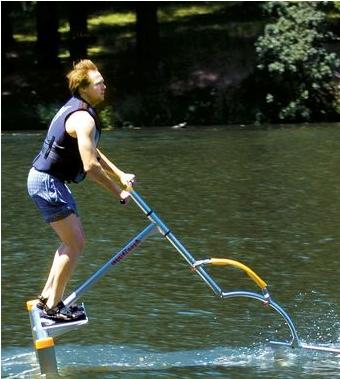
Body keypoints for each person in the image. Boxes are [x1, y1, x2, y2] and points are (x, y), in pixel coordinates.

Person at [27, 60, 135, 322]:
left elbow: (92, 151)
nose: (104, 86)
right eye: (99, 84)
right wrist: (117, 192)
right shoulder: (83, 117)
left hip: (45, 181)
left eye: (103, 82)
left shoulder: (78, 111)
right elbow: (89, 166)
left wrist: (119, 174)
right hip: (48, 183)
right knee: (76, 242)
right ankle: (53, 308)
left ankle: (46, 299)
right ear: (84, 89)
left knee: (70, 242)